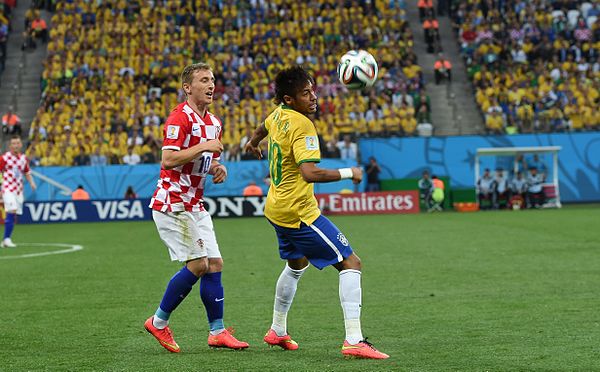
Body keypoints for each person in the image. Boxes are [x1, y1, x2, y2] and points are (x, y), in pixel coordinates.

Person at [244, 66, 388, 359]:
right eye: (305, 93)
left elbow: (264, 126)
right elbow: (309, 173)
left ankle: (277, 330)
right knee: (351, 262)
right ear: (289, 98)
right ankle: (354, 340)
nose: (313, 98)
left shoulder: (278, 114)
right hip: (300, 213)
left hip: (276, 208)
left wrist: (252, 141)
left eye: (313, 91)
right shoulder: (303, 125)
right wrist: (351, 171)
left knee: (296, 265)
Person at [145, 63, 248, 353]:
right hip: (172, 201)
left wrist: (215, 167)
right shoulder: (180, 118)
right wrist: (205, 147)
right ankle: (159, 322)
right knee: (198, 264)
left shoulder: (214, 122)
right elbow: (168, 160)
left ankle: (217, 332)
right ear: (188, 88)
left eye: (213, 80)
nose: (211, 85)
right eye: (204, 80)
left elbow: (200, 160)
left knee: (215, 264)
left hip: (194, 202)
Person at [0, 136, 36, 248]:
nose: (16, 145)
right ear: (10, 146)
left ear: (21, 145)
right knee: (12, 209)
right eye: (13, 143)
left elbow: (27, 171)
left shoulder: (23, 158)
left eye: (18, 143)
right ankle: (6, 239)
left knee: (13, 213)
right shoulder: (4, 158)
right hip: (7, 188)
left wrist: (31, 182)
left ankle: (6, 239)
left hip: (18, 190)